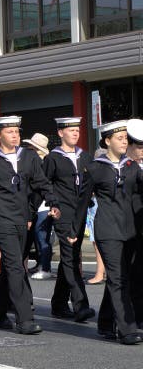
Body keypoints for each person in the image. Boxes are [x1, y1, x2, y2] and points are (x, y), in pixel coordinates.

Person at [0, 116, 61, 334]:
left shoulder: (28, 156)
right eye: (10, 132)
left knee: (13, 265)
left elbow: (41, 182)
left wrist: (53, 201)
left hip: (22, 217)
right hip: (1, 218)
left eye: (17, 131)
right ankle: (24, 318)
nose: (15, 135)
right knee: (16, 267)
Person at [74, 120, 142, 345]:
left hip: (130, 230)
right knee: (118, 278)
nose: (125, 142)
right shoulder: (95, 168)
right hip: (107, 229)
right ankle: (127, 329)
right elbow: (82, 202)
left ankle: (105, 321)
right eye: (120, 138)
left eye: (126, 138)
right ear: (107, 141)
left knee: (122, 277)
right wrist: (74, 230)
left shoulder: (132, 167)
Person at [43, 117, 94, 322]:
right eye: (71, 130)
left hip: (80, 214)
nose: (75, 133)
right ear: (61, 133)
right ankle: (81, 305)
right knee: (71, 258)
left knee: (71, 257)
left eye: (77, 130)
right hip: (63, 214)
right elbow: (44, 184)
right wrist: (52, 204)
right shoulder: (53, 158)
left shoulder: (85, 157)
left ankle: (58, 304)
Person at [23, 133, 54, 280]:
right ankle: (40, 264)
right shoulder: (36, 162)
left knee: (42, 238)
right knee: (36, 237)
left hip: (42, 206)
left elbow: (42, 186)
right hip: (35, 205)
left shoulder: (43, 164)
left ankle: (45, 267)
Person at [126, 119, 143, 330]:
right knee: (133, 273)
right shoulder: (123, 166)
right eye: (139, 146)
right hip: (127, 227)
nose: (142, 150)